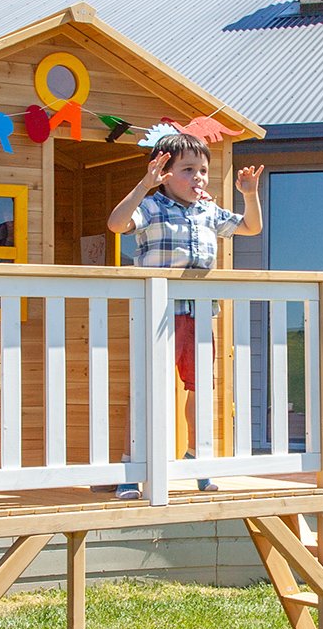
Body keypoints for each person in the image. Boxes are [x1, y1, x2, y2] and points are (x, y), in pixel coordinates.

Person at [106, 132, 264, 497]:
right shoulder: (152, 207)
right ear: (164, 172)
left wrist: (249, 194)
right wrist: (145, 185)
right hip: (158, 313)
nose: (199, 178)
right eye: (188, 170)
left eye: (203, 171)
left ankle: (198, 460)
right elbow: (116, 224)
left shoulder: (208, 210)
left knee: (199, 389)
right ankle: (133, 466)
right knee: (147, 390)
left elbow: (251, 228)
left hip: (198, 314)